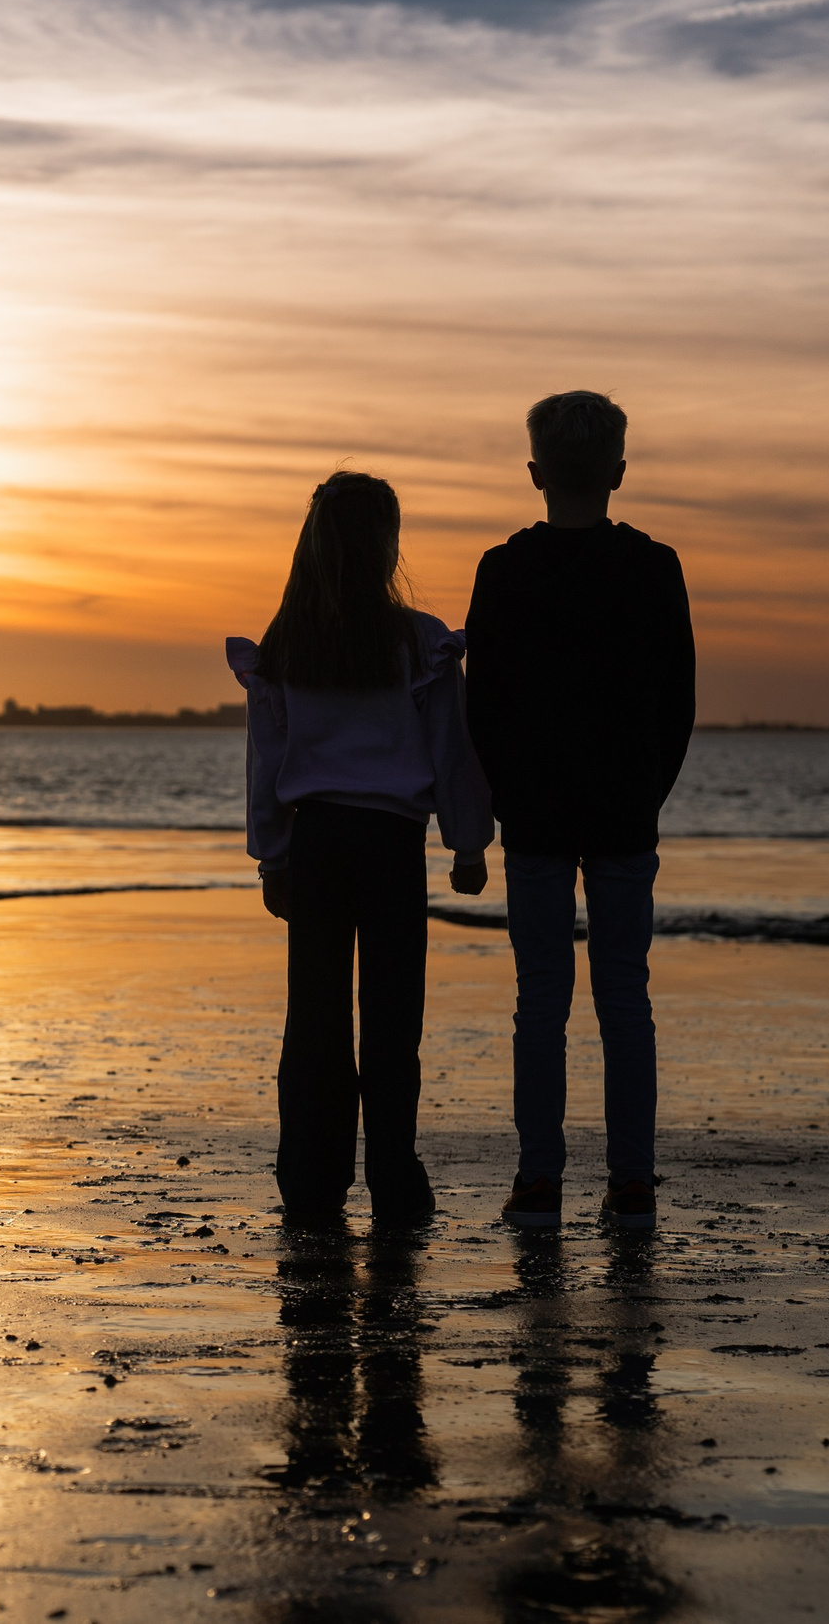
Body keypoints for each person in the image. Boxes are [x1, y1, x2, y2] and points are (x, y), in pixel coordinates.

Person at [228, 471, 492, 1226]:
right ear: (386, 547)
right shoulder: (414, 641)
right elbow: (450, 751)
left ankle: (311, 1175)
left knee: (313, 1017)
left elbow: (266, 765)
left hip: (315, 842)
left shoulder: (291, 643)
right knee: (391, 1017)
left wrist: (271, 856)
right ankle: (393, 1174)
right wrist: (467, 842)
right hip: (389, 847)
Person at [465, 391, 694, 1232]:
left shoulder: (505, 569)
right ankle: (630, 1181)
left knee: (541, 1002)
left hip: (537, 815)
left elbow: (481, 704)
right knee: (623, 998)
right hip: (622, 812)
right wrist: (646, 790)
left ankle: (539, 1179)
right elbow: (679, 701)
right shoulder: (653, 566)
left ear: (535, 474)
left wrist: (501, 798)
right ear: (619, 473)